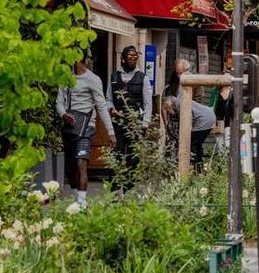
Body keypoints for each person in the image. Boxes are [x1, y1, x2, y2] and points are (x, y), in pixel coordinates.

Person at [56, 56, 114, 205]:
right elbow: (59, 102)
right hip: (70, 127)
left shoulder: (93, 80)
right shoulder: (65, 78)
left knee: (81, 162)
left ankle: (81, 203)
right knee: (70, 167)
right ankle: (78, 199)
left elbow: (101, 106)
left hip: (87, 126)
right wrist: (63, 114)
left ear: (76, 59)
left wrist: (110, 131)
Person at [106, 45, 151, 191]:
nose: (133, 60)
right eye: (130, 57)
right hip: (117, 122)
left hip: (136, 123)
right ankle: (114, 187)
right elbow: (108, 98)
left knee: (133, 157)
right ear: (123, 59)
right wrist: (111, 108)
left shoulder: (143, 78)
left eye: (135, 58)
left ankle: (128, 187)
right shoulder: (113, 77)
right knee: (117, 154)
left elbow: (148, 102)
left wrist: (145, 124)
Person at [159, 96, 216, 165]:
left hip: (203, 120)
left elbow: (188, 117)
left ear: (168, 105)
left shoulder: (178, 104)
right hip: (210, 117)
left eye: (168, 110)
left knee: (191, 145)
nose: (169, 112)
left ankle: (193, 165)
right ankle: (199, 165)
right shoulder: (180, 101)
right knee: (197, 144)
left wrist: (186, 133)